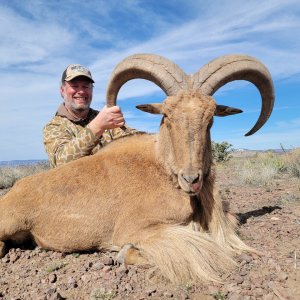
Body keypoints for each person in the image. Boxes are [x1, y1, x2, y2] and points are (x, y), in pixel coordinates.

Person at [43, 64, 138, 168]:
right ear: (62, 90)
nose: (81, 91)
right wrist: (98, 127)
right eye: (74, 86)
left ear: (92, 90)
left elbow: (133, 140)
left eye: (86, 86)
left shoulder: (105, 118)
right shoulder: (54, 126)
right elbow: (60, 162)